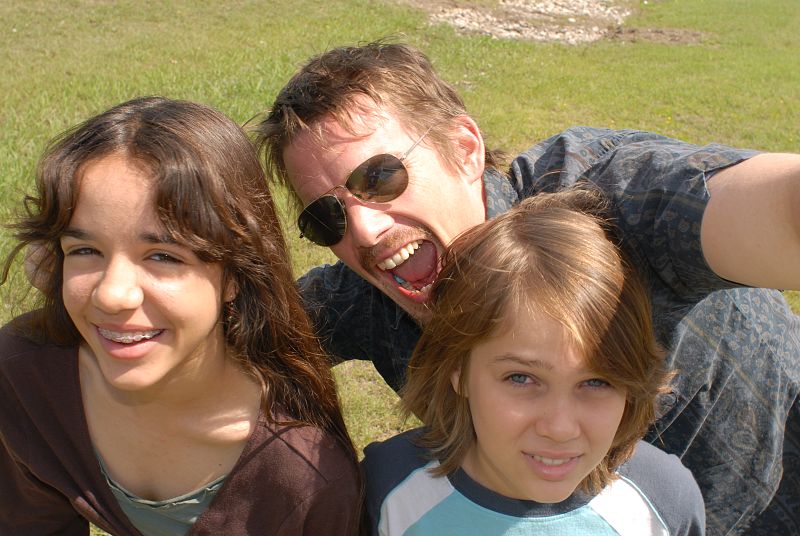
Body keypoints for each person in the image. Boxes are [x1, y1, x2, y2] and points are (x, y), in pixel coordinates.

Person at [254, 41, 800, 535]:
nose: (364, 231)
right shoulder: (367, 300)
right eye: (326, 217)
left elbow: (770, 210)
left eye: (378, 177)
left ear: (464, 148)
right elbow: (234, 338)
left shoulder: (607, 203)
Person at [0, 96, 360, 535]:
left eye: (163, 256)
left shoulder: (303, 481)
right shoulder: (26, 377)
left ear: (235, 276)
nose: (112, 294)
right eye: (85, 250)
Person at [362, 190, 704, 535]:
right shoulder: (386, 491)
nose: (560, 428)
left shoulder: (663, 503)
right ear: (458, 370)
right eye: (521, 378)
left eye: (597, 382)